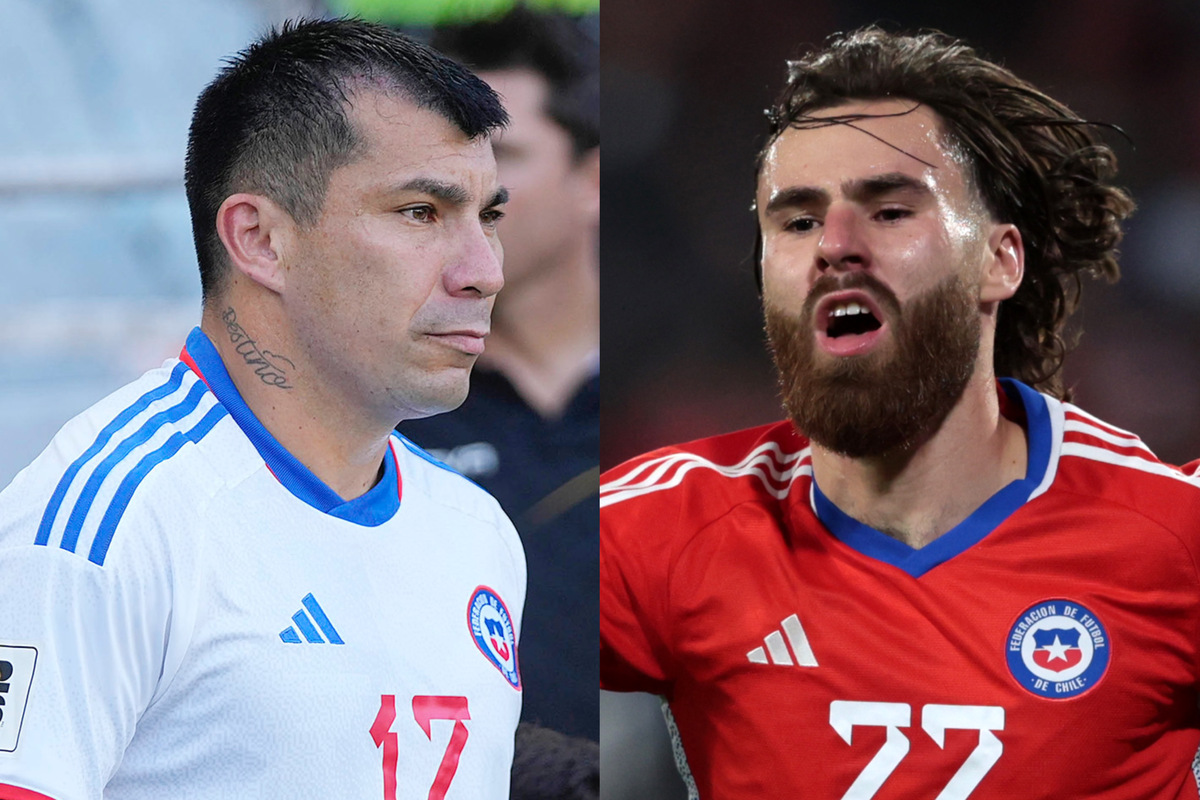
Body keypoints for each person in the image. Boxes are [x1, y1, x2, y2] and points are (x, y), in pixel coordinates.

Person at [600, 26, 1200, 798]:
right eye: (797, 220)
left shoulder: (1167, 538)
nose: (835, 245)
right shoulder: (670, 530)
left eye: (889, 210)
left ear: (999, 259)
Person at [0, 18, 526, 799]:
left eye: (489, 217)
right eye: (421, 212)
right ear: (259, 239)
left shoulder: (475, 529)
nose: (483, 272)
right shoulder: (103, 526)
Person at [400, 7, 600, 743]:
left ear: (594, 179)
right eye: (447, 164)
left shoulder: (681, 411)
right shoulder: (378, 403)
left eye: (501, 158)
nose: (468, 194)